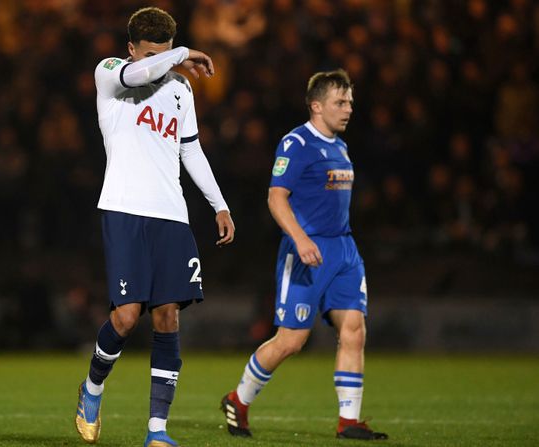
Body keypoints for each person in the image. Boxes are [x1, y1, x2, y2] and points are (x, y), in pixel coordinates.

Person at [75, 7, 235, 447]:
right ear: (132, 49)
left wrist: (219, 204)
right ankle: (92, 387)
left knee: (168, 318)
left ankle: (157, 431)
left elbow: (191, 150)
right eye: (151, 55)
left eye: (166, 55)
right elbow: (137, 75)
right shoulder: (110, 73)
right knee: (126, 317)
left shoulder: (182, 88)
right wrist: (180, 53)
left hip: (171, 215)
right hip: (125, 210)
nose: (161, 64)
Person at [221, 69, 388, 441]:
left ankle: (349, 422)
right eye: (340, 102)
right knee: (291, 342)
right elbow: (275, 197)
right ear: (316, 106)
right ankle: (239, 399)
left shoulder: (340, 147)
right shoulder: (297, 144)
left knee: (354, 331)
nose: (348, 109)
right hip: (306, 250)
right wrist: (299, 239)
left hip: (343, 250)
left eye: (350, 102)